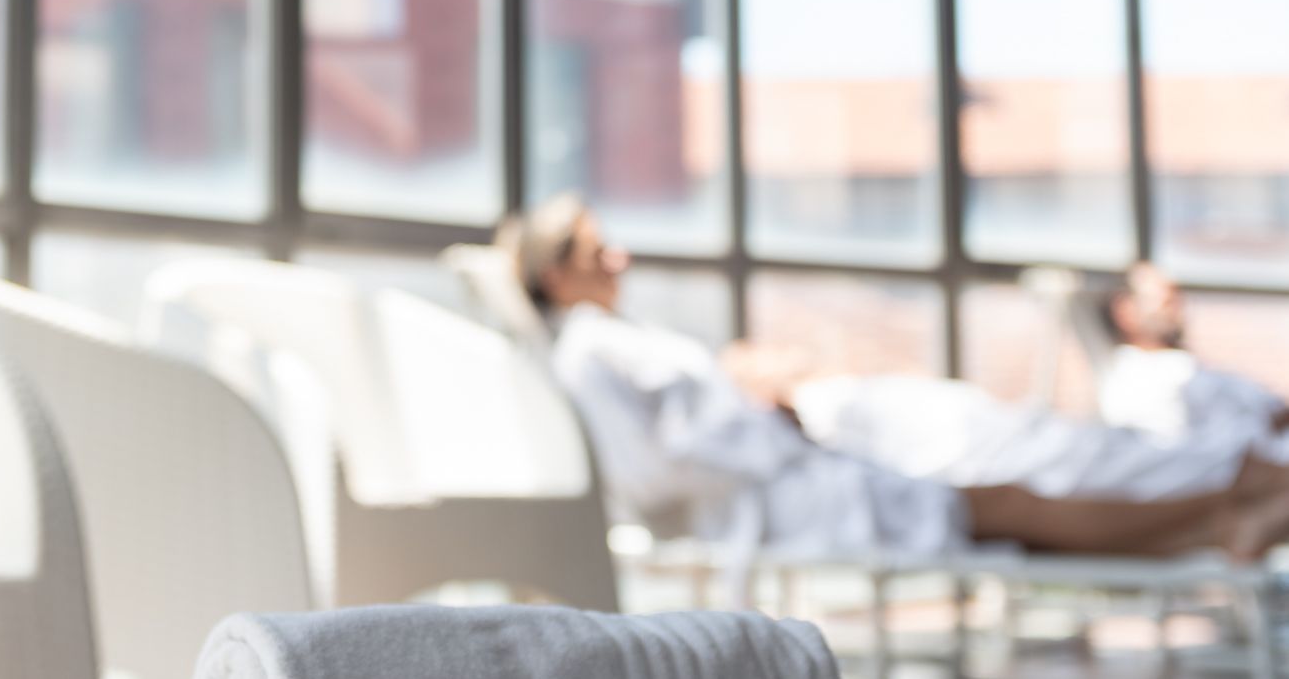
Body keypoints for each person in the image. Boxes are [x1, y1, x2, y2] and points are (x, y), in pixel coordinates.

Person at [497, 194, 1289, 564]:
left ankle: (1228, 509)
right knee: (1017, 502)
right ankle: (1228, 503)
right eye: (597, 252)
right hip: (785, 501)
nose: (620, 259)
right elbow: (656, 473)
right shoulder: (590, 354)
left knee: (1026, 492)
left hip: (811, 467)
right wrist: (767, 423)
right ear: (555, 276)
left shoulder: (616, 340)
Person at [1098, 262, 1289, 451]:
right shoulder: (1135, 381)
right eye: (1166, 302)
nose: (1177, 311)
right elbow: (1179, 454)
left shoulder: (1185, 364)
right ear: (1125, 311)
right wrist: (1270, 424)